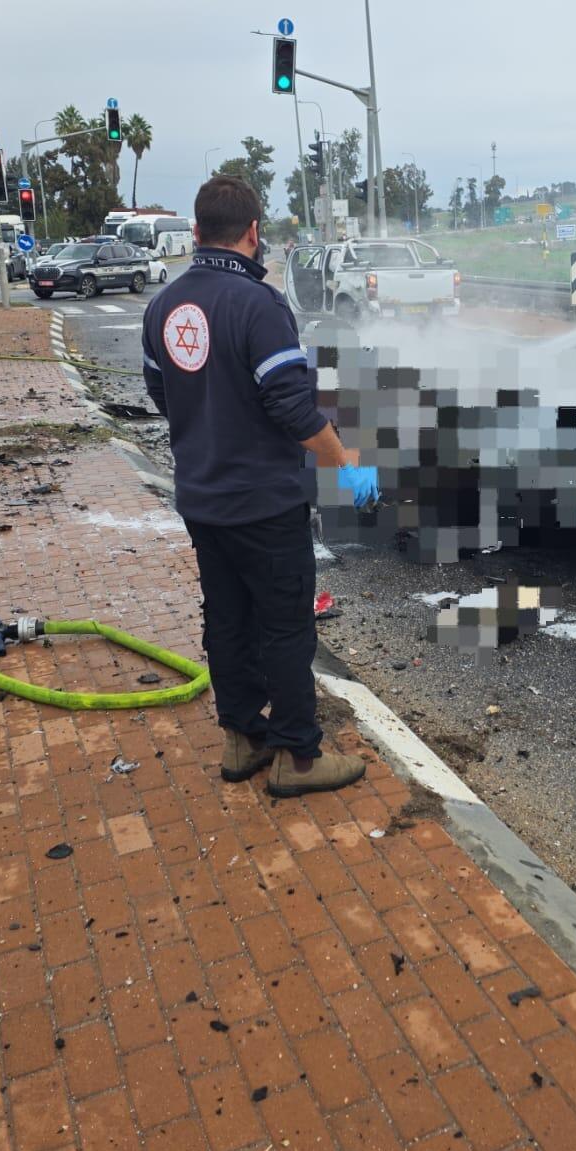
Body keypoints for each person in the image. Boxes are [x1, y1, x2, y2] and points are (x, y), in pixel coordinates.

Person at [142, 176, 379, 796]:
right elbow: (295, 410)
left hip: (201, 499)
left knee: (228, 621)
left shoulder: (163, 306)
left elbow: (160, 393)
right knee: (284, 626)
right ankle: (299, 759)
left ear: (196, 233)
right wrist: (345, 463)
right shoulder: (259, 304)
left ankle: (242, 740)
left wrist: (208, 426)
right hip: (264, 505)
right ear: (253, 233)